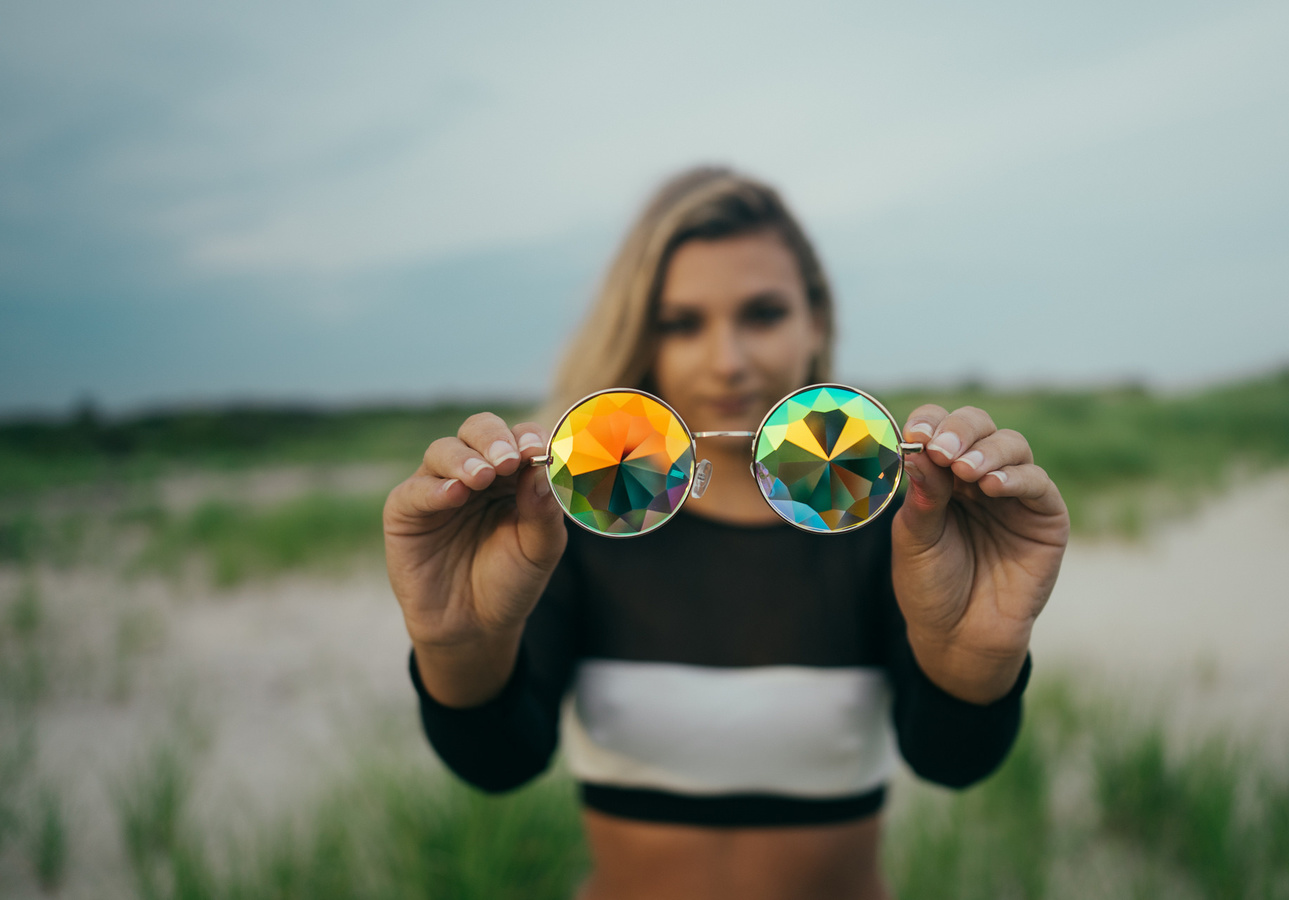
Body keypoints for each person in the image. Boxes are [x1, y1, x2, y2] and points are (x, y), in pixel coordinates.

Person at [383, 166, 1069, 900]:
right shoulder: (567, 524)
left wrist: (978, 658)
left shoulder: (900, 525)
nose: (728, 360)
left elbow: (952, 761)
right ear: (642, 338)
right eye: (682, 323)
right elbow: (500, 763)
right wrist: (456, 647)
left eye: (763, 313)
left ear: (817, 323)